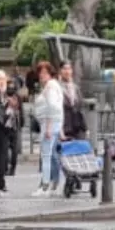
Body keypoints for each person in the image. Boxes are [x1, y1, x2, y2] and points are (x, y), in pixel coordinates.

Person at [31, 61, 65, 196]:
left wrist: (49, 127)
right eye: (40, 72)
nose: (41, 75)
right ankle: (53, 185)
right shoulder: (53, 85)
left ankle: (45, 187)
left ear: (50, 73)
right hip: (52, 123)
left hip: (49, 124)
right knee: (51, 156)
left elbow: (52, 106)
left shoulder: (50, 86)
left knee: (46, 156)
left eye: (44, 73)